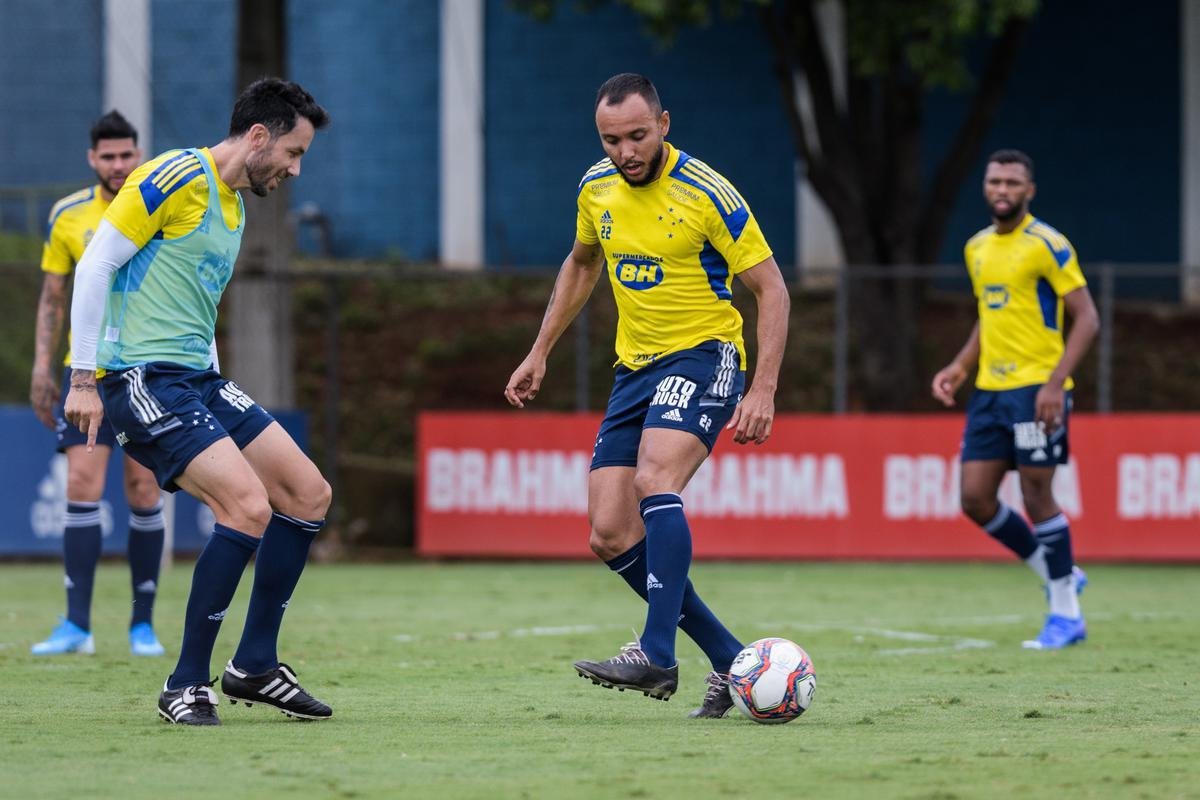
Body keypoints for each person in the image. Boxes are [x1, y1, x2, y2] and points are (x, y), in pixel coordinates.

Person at [505, 73, 790, 717]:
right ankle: (730, 660)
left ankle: (657, 653)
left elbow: (771, 288)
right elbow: (582, 263)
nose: (625, 151)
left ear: (664, 125)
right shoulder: (595, 187)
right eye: (612, 140)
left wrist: (764, 387)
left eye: (637, 135)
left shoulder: (706, 192)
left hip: (706, 354)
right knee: (607, 533)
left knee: (655, 479)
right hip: (635, 369)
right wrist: (540, 349)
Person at [64, 78, 333, 725]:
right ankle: (184, 684)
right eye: (293, 153)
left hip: (198, 378)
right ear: (259, 136)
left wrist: (216, 383)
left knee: (307, 492)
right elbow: (96, 263)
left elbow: (195, 309)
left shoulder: (235, 206)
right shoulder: (176, 174)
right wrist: (81, 378)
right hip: (140, 377)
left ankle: (255, 666)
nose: (296, 169)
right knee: (246, 506)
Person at [932, 149, 1099, 650]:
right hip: (990, 391)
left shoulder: (1048, 244)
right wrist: (961, 365)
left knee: (1036, 493)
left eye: (1012, 182)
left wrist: (1054, 385)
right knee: (975, 499)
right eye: (995, 181)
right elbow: (992, 314)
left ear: (1029, 191)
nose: (1002, 190)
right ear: (985, 188)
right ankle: (1058, 570)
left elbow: (1087, 318)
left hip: (1036, 390)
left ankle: (1066, 614)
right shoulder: (977, 247)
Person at [29, 111, 168, 658]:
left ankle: (143, 627)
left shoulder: (158, 205)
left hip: (149, 369)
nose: (117, 165)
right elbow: (52, 297)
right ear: (92, 159)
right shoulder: (67, 215)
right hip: (86, 370)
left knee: (144, 490)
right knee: (81, 487)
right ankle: (77, 627)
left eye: (126, 155)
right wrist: (43, 367)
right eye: (107, 157)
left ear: (138, 154)